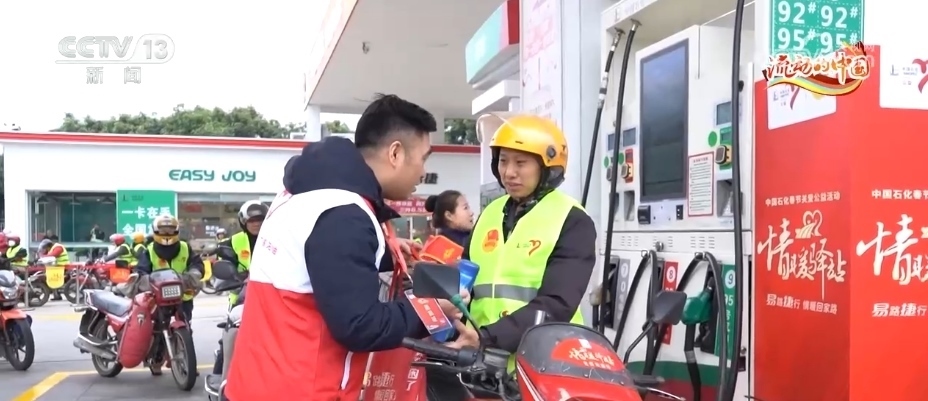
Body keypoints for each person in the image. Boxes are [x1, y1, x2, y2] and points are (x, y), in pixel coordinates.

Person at [225, 94, 466, 401]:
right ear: (395, 153)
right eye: (424, 158)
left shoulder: (307, 191)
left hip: (258, 384)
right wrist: (432, 310)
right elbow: (360, 326)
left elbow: (322, 265)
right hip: (305, 392)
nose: (422, 172)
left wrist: (387, 250)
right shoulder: (345, 214)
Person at [444, 113, 597, 366]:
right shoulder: (490, 213)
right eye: (503, 161)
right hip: (481, 363)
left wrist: (488, 338)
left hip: (544, 363)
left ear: (547, 167)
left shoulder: (571, 220)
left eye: (521, 163)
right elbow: (465, 285)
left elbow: (558, 304)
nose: (509, 172)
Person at [133, 214, 204, 376]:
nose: (166, 234)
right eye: (163, 230)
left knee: (186, 328)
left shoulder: (185, 247)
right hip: (158, 298)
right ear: (155, 231)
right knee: (158, 328)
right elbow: (141, 269)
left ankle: (187, 361)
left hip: (182, 296)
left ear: (177, 231)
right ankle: (156, 359)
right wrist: (145, 279)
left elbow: (197, 264)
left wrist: (194, 273)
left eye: (170, 230)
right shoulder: (149, 250)